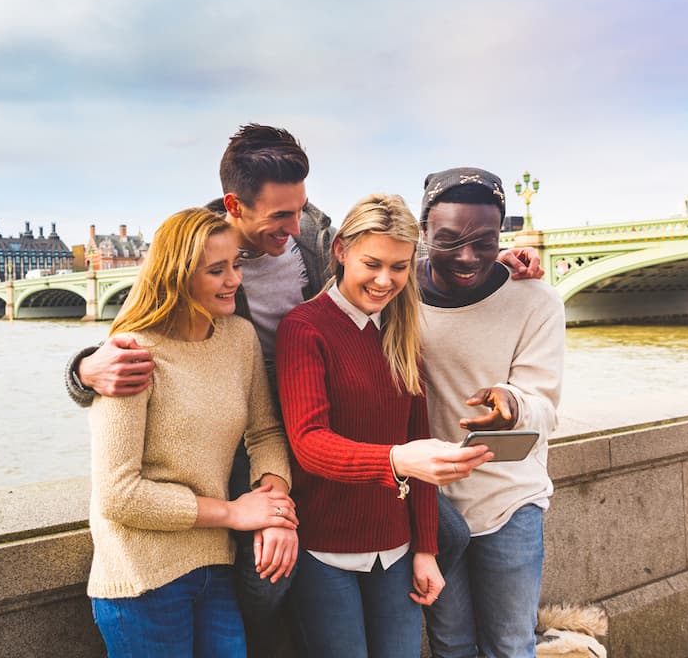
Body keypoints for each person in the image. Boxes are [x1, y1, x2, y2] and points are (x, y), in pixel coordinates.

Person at [65, 124, 544, 656]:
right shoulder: (199, 248)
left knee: (445, 534)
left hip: (290, 413)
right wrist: (84, 368)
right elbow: (147, 321)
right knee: (267, 570)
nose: (294, 228)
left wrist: (475, 259)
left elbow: (379, 256)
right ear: (235, 206)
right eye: (280, 216)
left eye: (301, 209)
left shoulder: (315, 235)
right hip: (245, 424)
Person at [275, 194, 492, 658]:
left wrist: (426, 549)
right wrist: (396, 460)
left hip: (396, 549)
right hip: (324, 552)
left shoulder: (402, 334)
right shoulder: (304, 328)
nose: (384, 280)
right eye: (372, 263)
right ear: (340, 251)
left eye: (399, 267)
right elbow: (310, 445)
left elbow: (422, 450)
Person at [87, 207, 297, 657]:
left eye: (236, 265)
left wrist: (273, 505)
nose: (234, 281)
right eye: (216, 270)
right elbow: (118, 494)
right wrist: (234, 514)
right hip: (142, 578)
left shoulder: (240, 338)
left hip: (215, 567)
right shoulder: (132, 352)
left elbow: (265, 433)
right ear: (178, 276)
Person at [416, 168, 565, 658]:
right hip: (431, 504)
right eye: (449, 240)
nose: (466, 256)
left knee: (510, 646)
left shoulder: (536, 299)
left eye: (484, 241)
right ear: (422, 233)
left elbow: (544, 404)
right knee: (450, 646)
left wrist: (512, 404)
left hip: (510, 501)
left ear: (501, 234)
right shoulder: (394, 297)